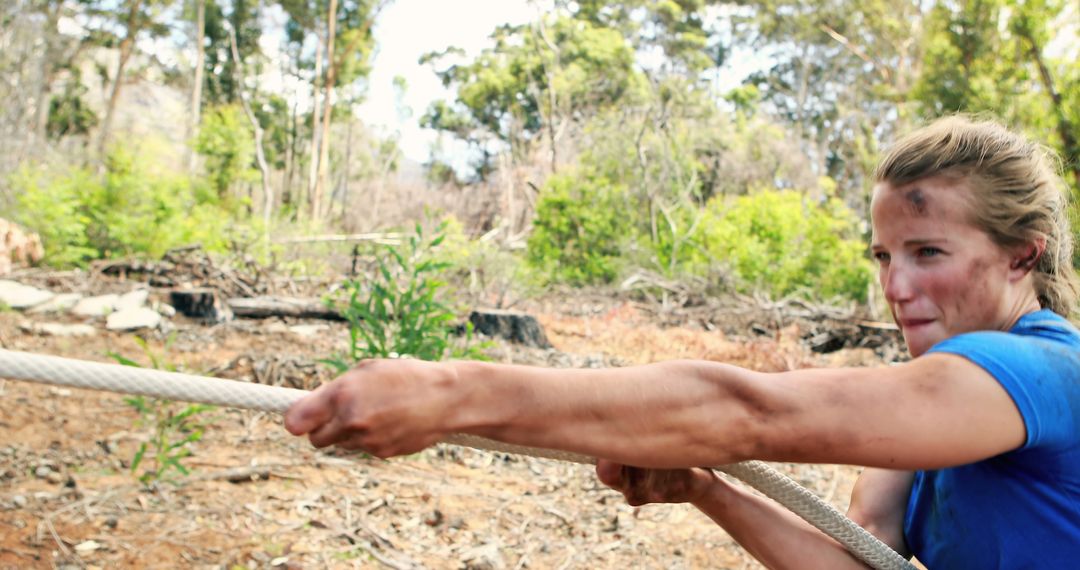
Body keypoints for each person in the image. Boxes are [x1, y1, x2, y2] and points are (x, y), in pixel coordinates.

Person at [284, 116, 1080, 568]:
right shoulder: (934, 403)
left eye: (928, 253)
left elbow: (744, 411)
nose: (895, 288)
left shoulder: (1045, 372)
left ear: (1023, 253)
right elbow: (862, 558)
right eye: (883, 256)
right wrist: (707, 489)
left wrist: (453, 394)